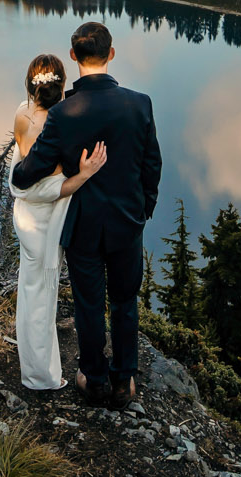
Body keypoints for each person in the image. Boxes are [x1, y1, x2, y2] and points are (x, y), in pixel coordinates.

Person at [11, 21, 162, 408]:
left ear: (74, 56)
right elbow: (151, 164)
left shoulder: (63, 113)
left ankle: (93, 379)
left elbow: (29, 173)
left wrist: (20, 168)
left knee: (89, 303)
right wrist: (143, 209)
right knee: (125, 301)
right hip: (128, 223)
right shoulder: (139, 102)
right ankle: (124, 382)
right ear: (111, 54)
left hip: (83, 227)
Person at [9, 53, 106, 391]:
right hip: (47, 219)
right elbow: (56, 188)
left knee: (31, 293)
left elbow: (25, 171)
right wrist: (86, 173)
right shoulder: (64, 122)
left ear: (31, 84)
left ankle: (37, 370)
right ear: (62, 84)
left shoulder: (22, 115)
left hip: (25, 217)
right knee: (42, 298)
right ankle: (42, 378)